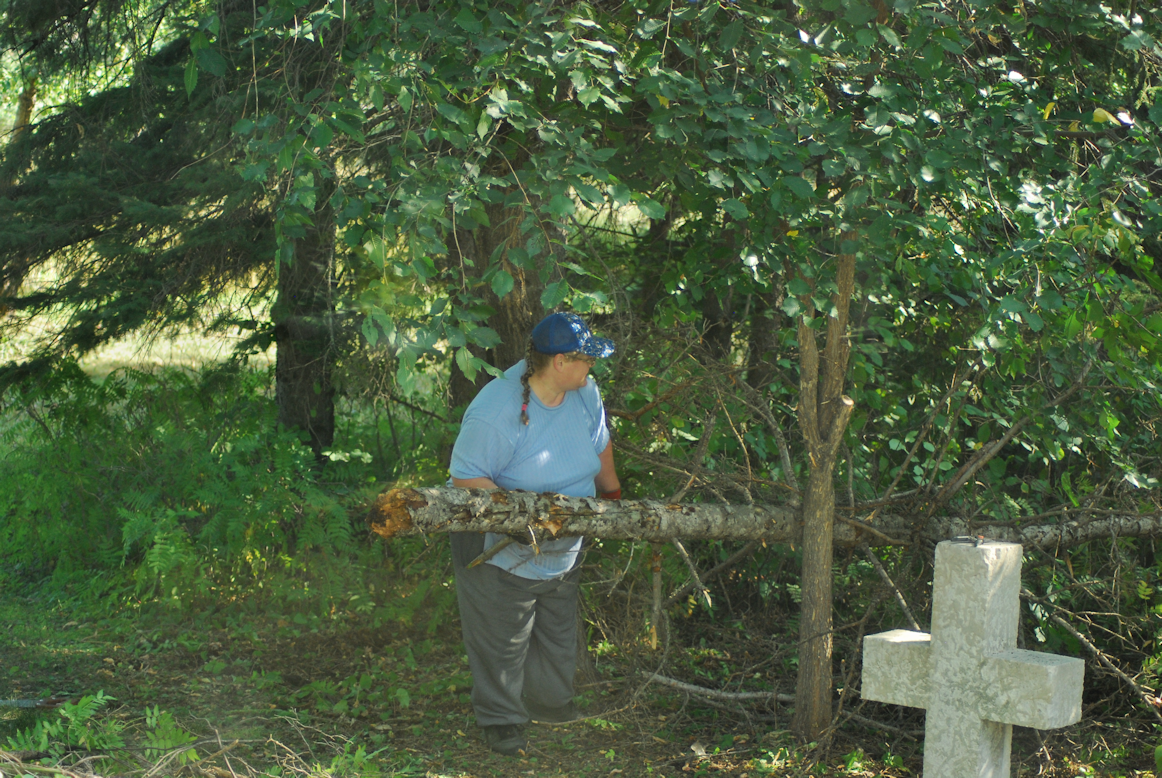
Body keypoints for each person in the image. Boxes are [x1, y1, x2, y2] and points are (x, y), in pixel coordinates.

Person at [448, 312, 621, 756]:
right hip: (498, 545)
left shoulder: (583, 392)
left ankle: (551, 706)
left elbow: (599, 443)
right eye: (586, 359)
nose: (592, 367)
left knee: (557, 630)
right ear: (560, 362)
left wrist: (613, 496)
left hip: (564, 542)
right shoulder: (496, 409)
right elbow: (465, 478)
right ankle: (502, 721)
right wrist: (520, 519)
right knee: (502, 638)